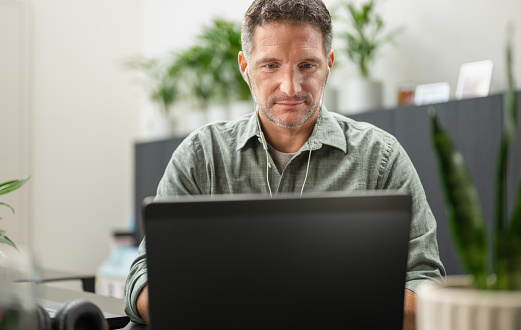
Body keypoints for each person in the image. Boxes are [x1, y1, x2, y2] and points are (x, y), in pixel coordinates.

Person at [124, 0, 446, 329]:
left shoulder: (382, 157)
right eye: (270, 66)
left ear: (329, 64)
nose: (290, 87)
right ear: (245, 67)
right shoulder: (200, 155)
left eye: (307, 65)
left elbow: (425, 285)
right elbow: (142, 279)